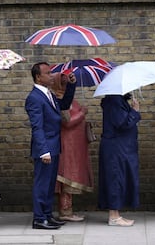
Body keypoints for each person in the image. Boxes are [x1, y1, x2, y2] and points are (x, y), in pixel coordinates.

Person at [25, 62, 76, 230]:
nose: (52, 75)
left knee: (49, 185)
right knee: (42, 184)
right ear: (38, 77)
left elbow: (64, 106)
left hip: (54, 146)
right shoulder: (34, 98)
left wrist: (70, 85)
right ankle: (39, 218)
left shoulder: (49, 94)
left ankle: (47, 215)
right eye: (48, 73)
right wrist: (43, 151)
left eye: (51, 72)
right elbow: (37, 127)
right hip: (45, 149)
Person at [51, 73, 94, 222]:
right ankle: (65, 212)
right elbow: (67, 122)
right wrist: (82, 113)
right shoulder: (59, 99)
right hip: (67, 146)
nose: (66, 86)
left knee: (69, 180)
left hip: (74, 147)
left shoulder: (68, 98)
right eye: (64, 83)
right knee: (65, 181)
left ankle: (68, 211)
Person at [97, 93, 140, 227]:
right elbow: (122, 124)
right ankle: (113, 216)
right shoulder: (114, 101)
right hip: (115, 148)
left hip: (118, 147)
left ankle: (116, 214)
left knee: (118, 178)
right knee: (115, 179)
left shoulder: (117, 100)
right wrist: (135, 111)